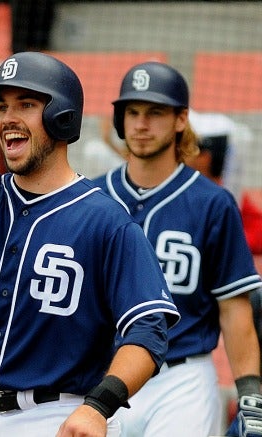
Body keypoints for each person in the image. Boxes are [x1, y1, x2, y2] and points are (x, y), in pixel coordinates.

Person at [0, 17, 180, 436]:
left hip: (63, 418)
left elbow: (148, 329)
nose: (7, 118)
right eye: (2, 106)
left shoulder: (106, 222)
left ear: (62, 117)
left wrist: (99, 407)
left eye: (25, 104)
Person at [92, 61, 262, 436]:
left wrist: (250, 392)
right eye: (132, 113)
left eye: (155, 112)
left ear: (181, 119)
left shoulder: (213, 203)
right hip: (102, 377)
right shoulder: (90, 197)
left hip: (182, 380)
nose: (141, 124)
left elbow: (235, 311)